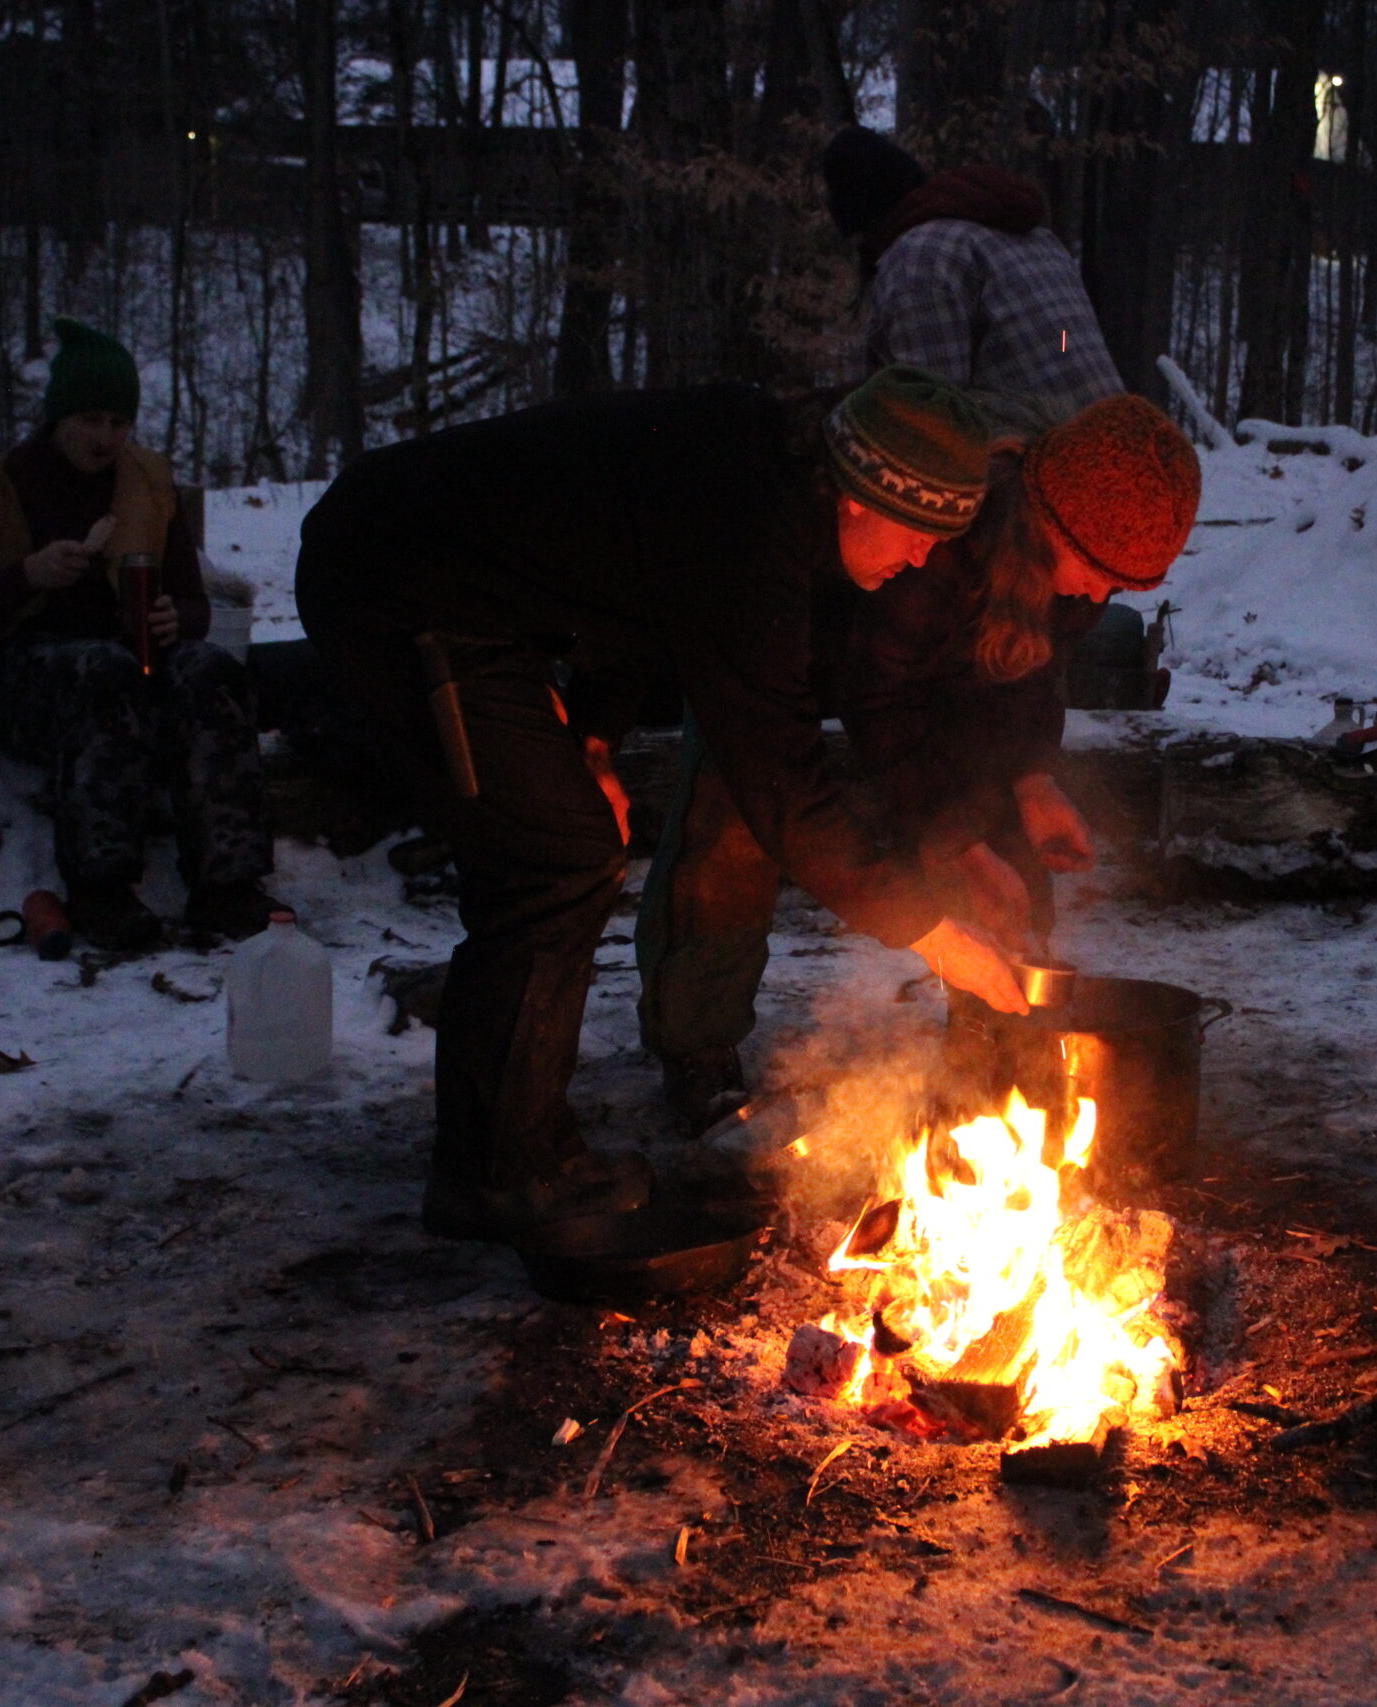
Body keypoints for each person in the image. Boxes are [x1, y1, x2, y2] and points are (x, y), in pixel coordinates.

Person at [293, 366, 1030, 1245]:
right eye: (921, 533)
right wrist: (931, 931)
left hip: (467, 600)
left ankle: (518, 1149)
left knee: (569, 839)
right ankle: (495, 1173)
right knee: (553, 861)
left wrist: (593, 743)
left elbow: (627, 584)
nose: (924, 559)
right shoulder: (749, 525)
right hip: (392, 583)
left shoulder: (759, 476)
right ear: (863, 496)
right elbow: (784, 783)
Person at [637, 395, 1201, 1134]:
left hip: (914, 685)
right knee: (741, 814)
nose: (1100, 595)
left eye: (1118, 585)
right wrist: (956, 845)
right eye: (1096, 571)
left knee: (997, 827)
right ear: (1050, 524)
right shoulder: (941, 531)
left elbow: (1027, 681)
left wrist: (1032, 782)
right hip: (786, 651)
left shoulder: (1073, 573)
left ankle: (992, 1039)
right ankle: (698, 1038)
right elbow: (879, 699)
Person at [0, 318, 276, 952]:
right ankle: (100, 887)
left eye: (119, 422)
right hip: (24, 679)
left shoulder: (148, 483)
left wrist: (177, 618)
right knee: (103, 670)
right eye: (91, 420)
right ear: (59, 417)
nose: (106, 437)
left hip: (133, 662)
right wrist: (25, 576)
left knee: (212, 671)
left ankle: (228, 881)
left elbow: (195, 603)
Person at [820, 123, 1125, 433]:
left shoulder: (920, 257)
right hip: (1123, 442)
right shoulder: (1037, 238)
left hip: (1056, 456)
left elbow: (935, 421)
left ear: (869, 225)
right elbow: (1062, 347)